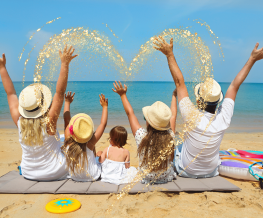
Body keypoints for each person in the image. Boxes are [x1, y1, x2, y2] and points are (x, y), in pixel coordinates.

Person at [153, 36, 263, 178]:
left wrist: (169, 54)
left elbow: (179, 82)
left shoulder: (191, 116)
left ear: (199, 101)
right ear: (218, 101)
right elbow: (235, 86)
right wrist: (252, 59)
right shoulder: (223, 118)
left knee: (176, 141)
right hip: (211, 172)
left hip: (185, 171)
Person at [0, 45, 77, 181]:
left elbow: (10, 93)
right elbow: (59, 93)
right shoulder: (49, 124)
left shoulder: (19, 122)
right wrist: (65, 64)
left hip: (28, 173)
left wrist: (2, 69)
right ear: (44, 105)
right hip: (55, 172)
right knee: (70, 142)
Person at [112, 81, 177, 184]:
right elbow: (173, 115)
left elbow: (130, 114)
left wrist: (123, 95)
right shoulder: (170, 135)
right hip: (166, 177)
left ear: (148, 122)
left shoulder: (141, 136)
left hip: (146, 178)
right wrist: (174, 96)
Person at [61, 92, 108, 182]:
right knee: (99, 154)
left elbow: (67, 120)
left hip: (75, 176)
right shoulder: (90, 144)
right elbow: (103, 124)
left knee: (96, 154)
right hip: (93, 176)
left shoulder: (69, 142)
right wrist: (105, 107)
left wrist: (67, 102)